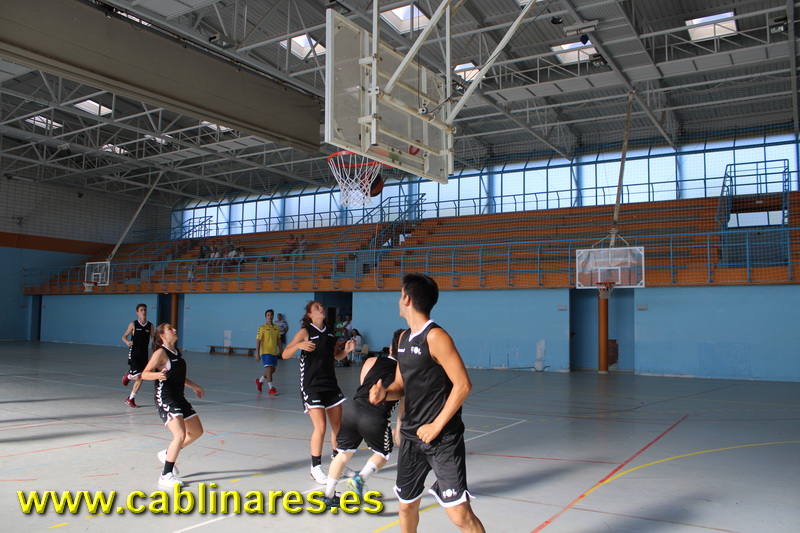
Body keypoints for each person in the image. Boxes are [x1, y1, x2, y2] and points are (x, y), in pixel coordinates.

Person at [370, 274, 485, 533]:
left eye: (400, 295)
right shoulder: (402, 338)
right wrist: (383, 394)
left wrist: (435, 426)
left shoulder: (436, 337)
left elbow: (463, 385)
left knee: (460, 515)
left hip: (443, 439)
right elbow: (400, 386)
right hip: (412, 437)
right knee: (406, 506)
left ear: (407, 299)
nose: (398, 300)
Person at [322, 329, 405, 509]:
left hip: (353, 408)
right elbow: (403, 406)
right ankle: (360, 479)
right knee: (383, 453)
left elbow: (363, 386)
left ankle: (328, 496)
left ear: (391, 348)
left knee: (342, 453)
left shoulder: (371, 361)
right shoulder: (406, 374)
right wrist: (398, 428)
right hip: (375, 416)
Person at [282, 301, 354, 485]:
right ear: (309, 315)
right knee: (320, 426)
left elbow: (336, 356)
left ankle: (338, 463)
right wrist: (298, 346)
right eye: (316, 308)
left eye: (322, 307)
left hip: (330, 383)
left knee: (338, 426)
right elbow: (285, 354)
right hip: (311, 384)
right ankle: (315, 468)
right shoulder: (305, 332)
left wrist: (346, 351)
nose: (321, 309)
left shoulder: (330, 333)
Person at [141, 323, 204, 488]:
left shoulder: (177, 352)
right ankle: (165, 475)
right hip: (166, 397)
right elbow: (144, 374)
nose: (174, 330)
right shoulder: (160, 353)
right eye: (170, 329)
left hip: (179, 397)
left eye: (174, 328)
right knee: (180, 434)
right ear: (162, 336)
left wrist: (195, 386)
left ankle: (167, 453)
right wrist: (157, 375)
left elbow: (178, 376)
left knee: (197, 431)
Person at [121, 303, 154, 408]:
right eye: (141, 310)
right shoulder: (133, 324)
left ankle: (130, 399)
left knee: (141, 377)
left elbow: (153, 339)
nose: (143, 312)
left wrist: (156, 349)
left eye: (145, 310)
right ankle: (128, 376)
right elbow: (124, 336)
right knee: (138, 376)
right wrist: (127, 342)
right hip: (134, 353)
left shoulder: (150, 325)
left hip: (144, 354)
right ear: (137, 313)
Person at [255, 309, 282, 396]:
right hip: (266, 352)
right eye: (268, 315)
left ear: (273, 316)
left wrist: (281, 350)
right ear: (265, 317)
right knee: (269, 369)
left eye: (271, 315)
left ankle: (260, 381)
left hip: (274, 352)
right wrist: (257, 354)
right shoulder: (262, 328)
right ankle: (271, 388)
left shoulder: (276, 328)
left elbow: (278, 340)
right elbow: (258, 341)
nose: (270, 316)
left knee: (272, 370)